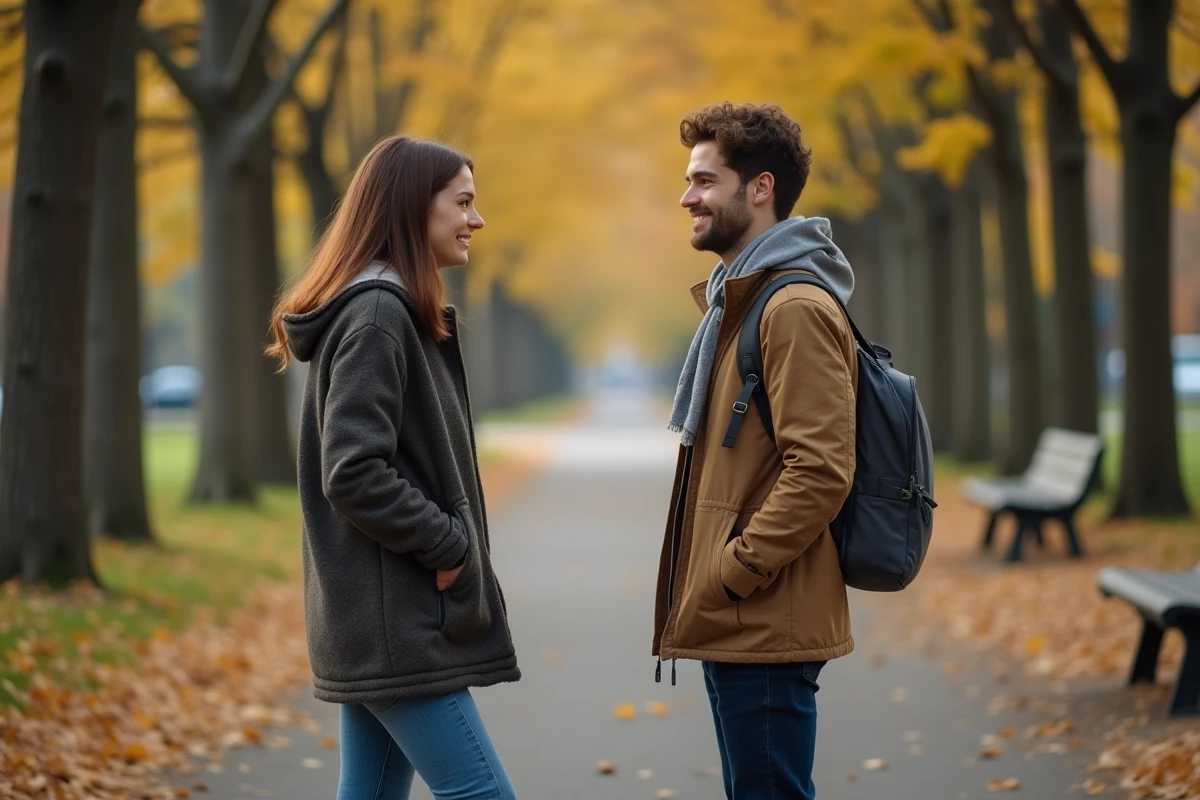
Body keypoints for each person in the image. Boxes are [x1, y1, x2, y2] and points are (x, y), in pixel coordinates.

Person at [267, 136, 519, 800]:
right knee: (482, 793)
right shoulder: (379, 316)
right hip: (397, 619)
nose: (476, 219)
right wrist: (447, 543)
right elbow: (352, 470)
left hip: (381, 615)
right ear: (414, 208)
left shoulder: (392, 312)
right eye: (462, 202)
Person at [653, 102, 858, 800]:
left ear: (760, 188)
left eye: (705, 181)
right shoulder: (740, 302)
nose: (688, 197)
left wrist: (735, 572)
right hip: (743, 615)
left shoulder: (791, 307)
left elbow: (822, 468)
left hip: (763, 613)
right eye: (689, 181)